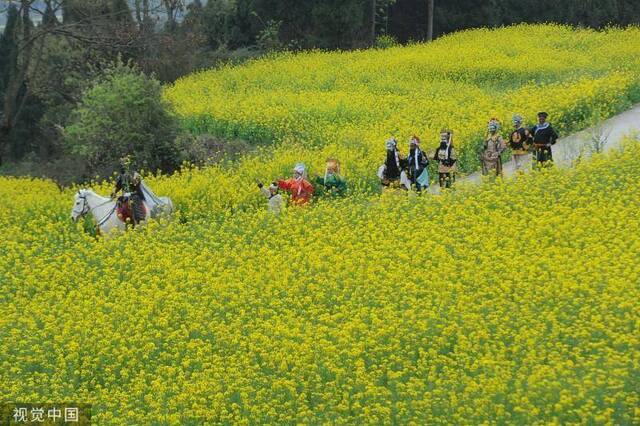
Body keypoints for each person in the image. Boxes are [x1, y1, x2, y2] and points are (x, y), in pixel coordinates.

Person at [111, 155, 146, 227]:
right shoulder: (121, 176)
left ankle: (139, 221)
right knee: (119, 204)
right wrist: (114, 192)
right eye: (122, 164)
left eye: (125, 164)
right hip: (124, 196)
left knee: (133, 204)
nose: (123, 166)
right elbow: (118, 186)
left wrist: (129, 176)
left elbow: (136, 183)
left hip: (133, 194)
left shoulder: (135, 174)